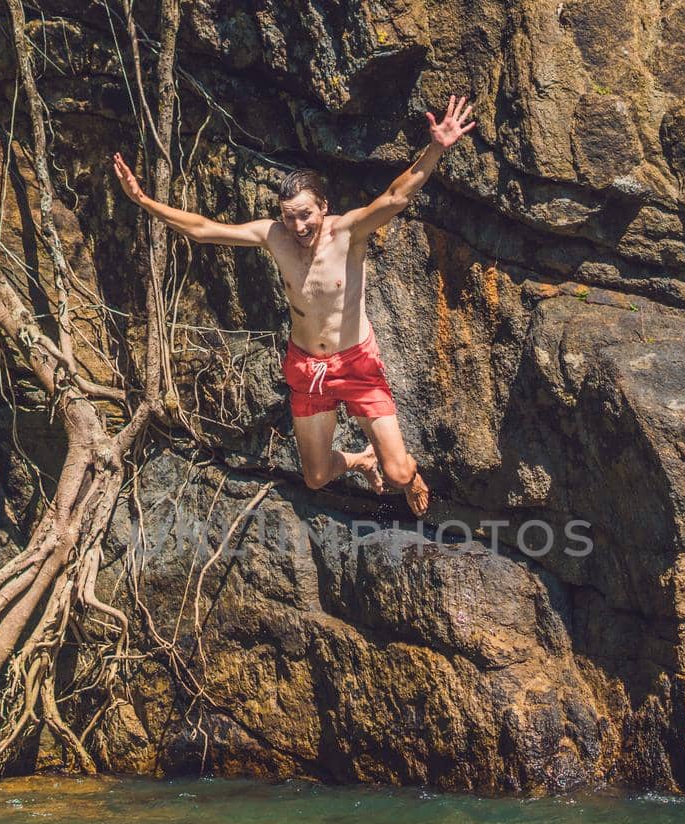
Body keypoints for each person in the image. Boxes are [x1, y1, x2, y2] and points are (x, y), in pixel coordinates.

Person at [111, 95, 478, 516]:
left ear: (324, 207)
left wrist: (436, 148)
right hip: (306, 366)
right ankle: (361, 460)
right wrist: (142, 201)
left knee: (397, 475)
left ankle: (409, 476)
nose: (299, 226)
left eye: (306, 215)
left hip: (356, 363)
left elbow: (395, 197)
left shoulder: (348, 232)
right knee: (316, 478)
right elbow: (203, 230)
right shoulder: (273, 236)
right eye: (290, 217)